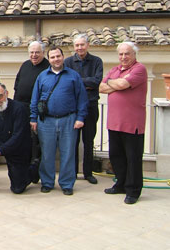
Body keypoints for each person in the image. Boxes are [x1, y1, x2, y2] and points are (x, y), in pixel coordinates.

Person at [30, 46, 88, 195]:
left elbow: (82, 99)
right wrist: (33, 118)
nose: (56, 59)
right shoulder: (42, 76)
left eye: (58, 56)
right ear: (49, 59)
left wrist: (80, 118)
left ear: (63, 57)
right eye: (53, 57)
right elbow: (35, 99)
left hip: (68, 119)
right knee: (47, 153)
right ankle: (47, 182)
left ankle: (67, 184)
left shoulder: (73, 76)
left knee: (68, 153)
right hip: (46, 121)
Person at [99, 42, 147, 205]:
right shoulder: (115, 70)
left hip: (132, 123)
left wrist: (117, 84)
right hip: (114, 123)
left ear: (134, 54)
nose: (123, 57)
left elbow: (121, 84)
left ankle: (133, 191)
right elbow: (101, 87)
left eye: (127, 54)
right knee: (116, 156)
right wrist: (118, 84)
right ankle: (120, 184)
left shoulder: (139, 69)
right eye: (121, 54)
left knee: (133, 158)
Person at [64, 34, 103, 184]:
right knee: (72, 142)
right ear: (74, 47)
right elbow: (67, 82)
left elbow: (96, 81)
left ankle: (88, 173)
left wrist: (78, 82)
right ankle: (72, 172)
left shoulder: (97, 61)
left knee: (89, 141)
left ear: (88, 45)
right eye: (77, 45)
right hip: (73, 108)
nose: (79, 48)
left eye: (82, 45)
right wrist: (86, 84)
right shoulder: (67, 62)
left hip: (90, 106)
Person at [14, 41, 50, 165]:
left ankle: (36, 167)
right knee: (23, 138)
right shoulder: (25, 65)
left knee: (37, 141)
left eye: (37, 52)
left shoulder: (48, 67)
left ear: (43, 53)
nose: (34, 55)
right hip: (21, 108)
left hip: (39, 110)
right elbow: (17, 85)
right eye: (31, 52)